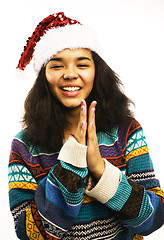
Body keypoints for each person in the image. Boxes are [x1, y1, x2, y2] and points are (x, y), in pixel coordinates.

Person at [8, 12, 164, 240]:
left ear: (96, 72)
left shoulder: (126, 131)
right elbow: (28, 234)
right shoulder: (25, 145)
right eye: (56, 66)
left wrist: (100, 169)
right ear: (44, 77)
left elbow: (154, 218)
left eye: (82, 64)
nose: (70, 74)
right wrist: (70, 165)